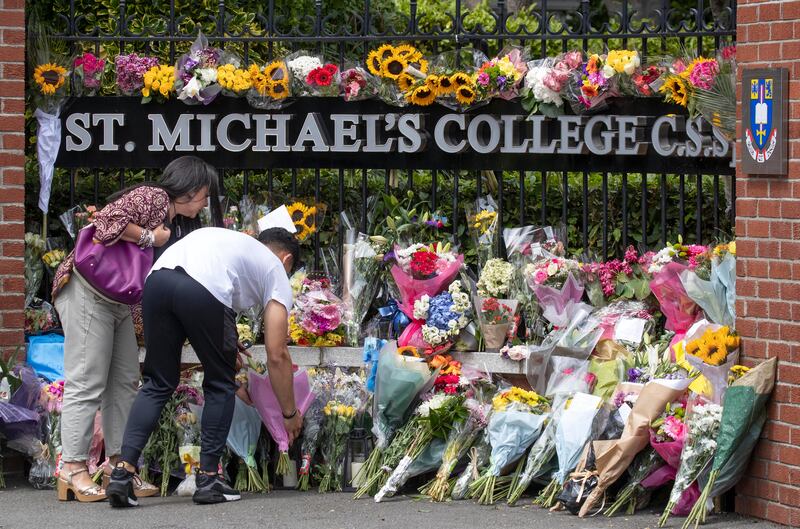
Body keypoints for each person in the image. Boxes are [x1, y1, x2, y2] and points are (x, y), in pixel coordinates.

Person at [52, 156, 222, 502]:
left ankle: (119, 467)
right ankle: (71, 467)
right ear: (191, 189)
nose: (206, 202)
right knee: (87, 379)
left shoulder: (173, 223)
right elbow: (104, 222)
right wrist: (148, 236)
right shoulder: (153, 197)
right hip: (86, 291)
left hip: (118, 302)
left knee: (126, 382)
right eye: (206, 194)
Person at [107, 227, 303, 507]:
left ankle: (122, 474)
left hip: (158, 281)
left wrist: (226, 345)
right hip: (202, 288)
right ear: (286, 261)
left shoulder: (234, 244)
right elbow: (277, 353)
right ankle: (208, 479)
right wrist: (289, 413)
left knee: (157, 382)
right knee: (221, 383)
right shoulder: (275, 269)